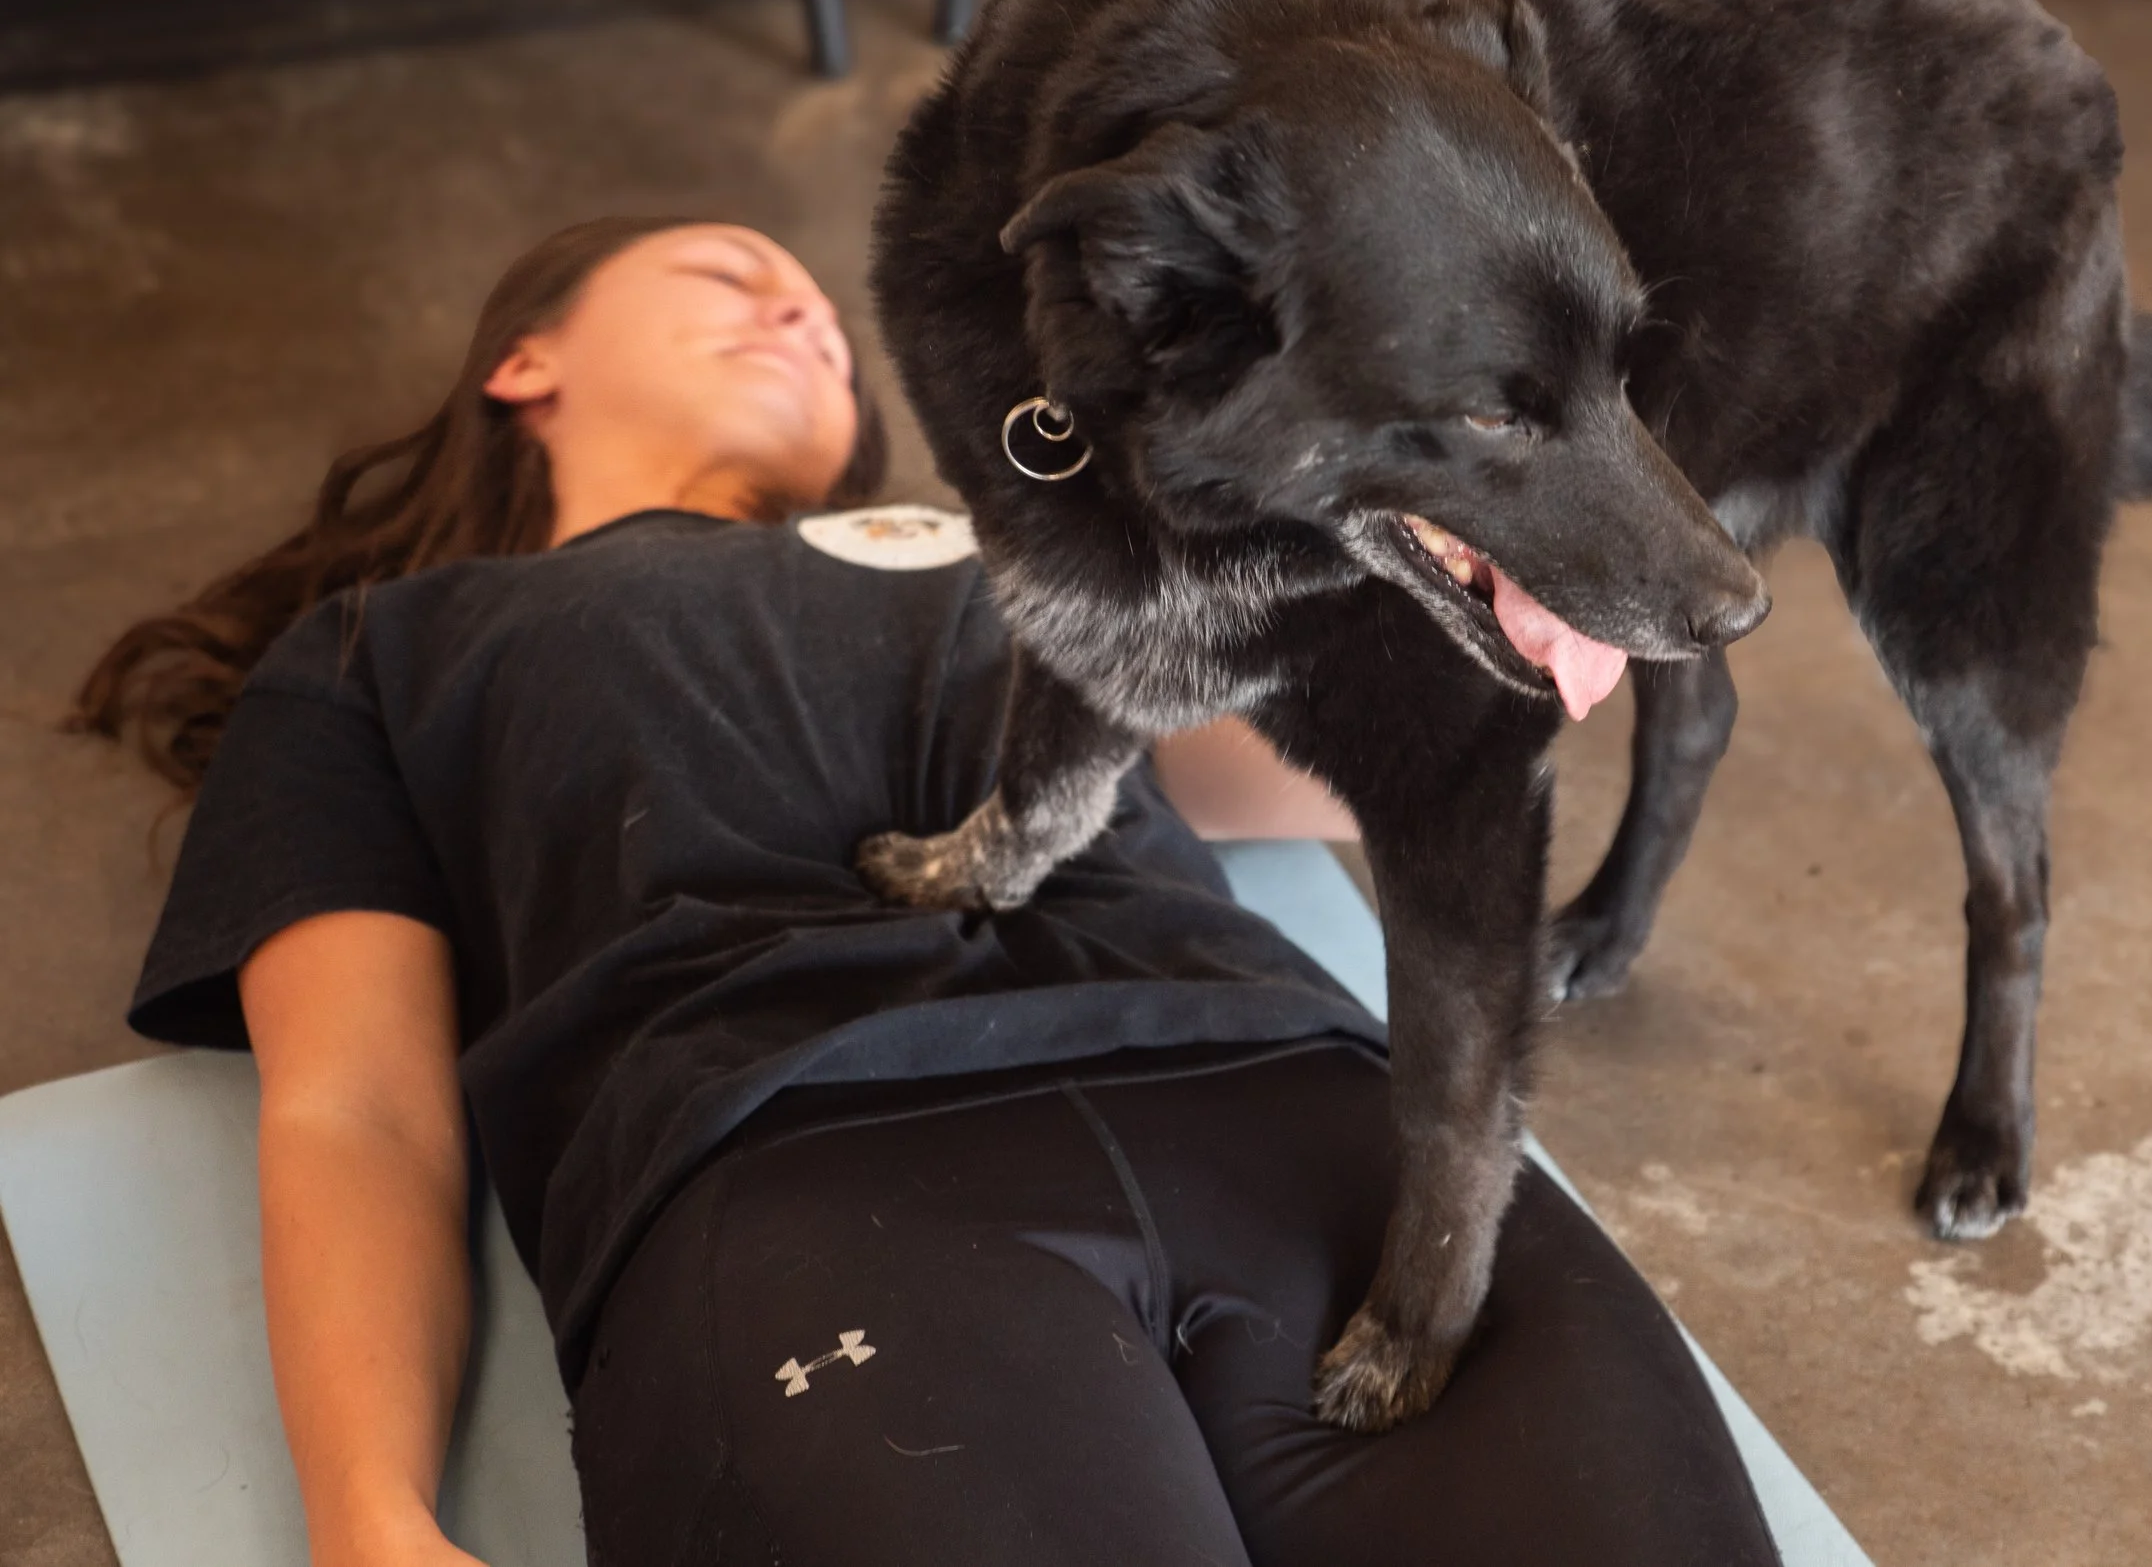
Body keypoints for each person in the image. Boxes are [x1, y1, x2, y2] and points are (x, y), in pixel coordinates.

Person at [78, 217, 1782, 1567]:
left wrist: (1493, 552)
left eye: (824, 312)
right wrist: (369, 1519)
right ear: (526, 362)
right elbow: (358, 1108)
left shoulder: (1031, 543)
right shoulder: (385, 649)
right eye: (727, 273)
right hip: (818, 1168)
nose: (799, 308)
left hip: (1335, 1135)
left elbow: (1339, 752)